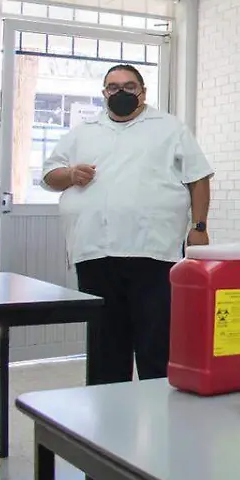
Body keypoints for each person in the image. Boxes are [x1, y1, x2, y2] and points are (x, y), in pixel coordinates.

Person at [43, 64, 213, 385]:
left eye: (129, 86)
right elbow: (50, 176)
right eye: (113, 87)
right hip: (95, 252)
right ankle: (108, 424)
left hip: (154, 252)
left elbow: (198, 177)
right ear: (104, 93)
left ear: (143, 92)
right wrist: (70, 174)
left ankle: (161, 417)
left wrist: (199, 226)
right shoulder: (84, 131)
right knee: (105, 346)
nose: (121, 93)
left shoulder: (169, 128)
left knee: (155, 345)